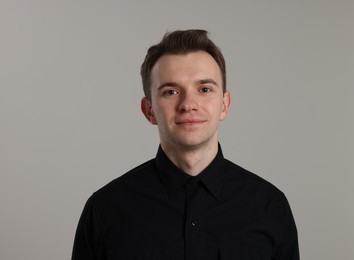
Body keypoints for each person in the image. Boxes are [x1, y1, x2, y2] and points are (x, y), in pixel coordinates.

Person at [71, 29, 299, 260]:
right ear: (149, 110)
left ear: (225, 104)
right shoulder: (105, 209)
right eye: (171, 91)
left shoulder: (269, 206)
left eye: (204, 89)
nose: (188, 104)